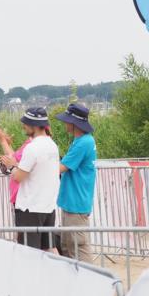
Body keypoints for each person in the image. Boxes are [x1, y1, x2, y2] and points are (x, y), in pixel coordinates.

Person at [0, 107, 61, 251]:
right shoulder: (52, 145)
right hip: (48, 206)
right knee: (49, 249)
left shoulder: (32, 147)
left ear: (34, 125)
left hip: (29, 207)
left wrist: (11, 165)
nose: (23, 126)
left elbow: (19, 176)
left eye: (26, 124)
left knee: (28, 252)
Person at [55, 103, 97, 261]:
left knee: (78, 248)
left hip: (76, 203)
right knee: (68, 246)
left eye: (67, 121)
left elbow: (61, 168)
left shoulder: (83, 143)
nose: (65, 123)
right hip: (72, 202)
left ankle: (91, 281)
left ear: (74, 123)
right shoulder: (82, 140)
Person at [0, 123, 33, 214]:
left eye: (25, 123)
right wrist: (7, 143)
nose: (23, 127)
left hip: (24, 196)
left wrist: (2, 140)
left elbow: (13, 160)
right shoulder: (30, 143)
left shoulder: (31, 145)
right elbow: (15, 158)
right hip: (21, 195)